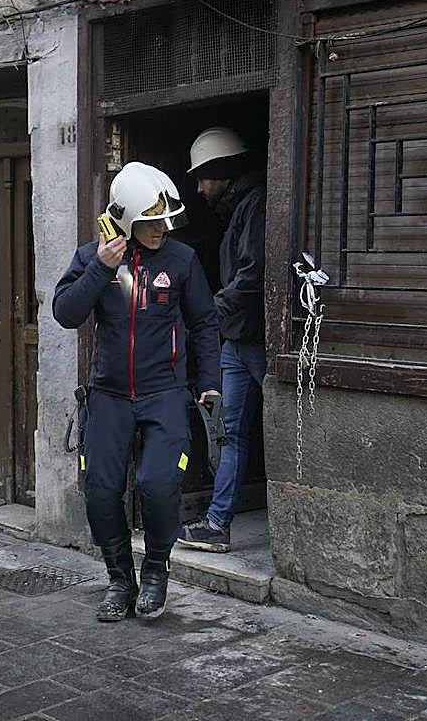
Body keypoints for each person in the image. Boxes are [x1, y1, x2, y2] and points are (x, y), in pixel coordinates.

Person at [53, 162, 221, 621]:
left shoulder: (182, 261)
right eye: (150, 221)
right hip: (108, 394)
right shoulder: (93, 257)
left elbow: (204, 322)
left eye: (166, 220)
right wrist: (101, 271)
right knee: (102, 489)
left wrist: (209, 383)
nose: (161, 229)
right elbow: (66, 313)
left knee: (159, 483)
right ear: (125, 219)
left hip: (164, 391)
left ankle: (155, 572)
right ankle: (119, 579)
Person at [177, 126, 266, 554]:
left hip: (256, 340)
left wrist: (212, 311)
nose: (198, 188)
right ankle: (217, 523)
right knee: (230, 433)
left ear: (222, 171)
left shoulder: (256, 205)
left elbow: (253, 274)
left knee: (253, 431)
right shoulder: (239, 209)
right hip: (237, 340)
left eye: (202, 178)